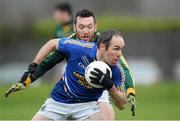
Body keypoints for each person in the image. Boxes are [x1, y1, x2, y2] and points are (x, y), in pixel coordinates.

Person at [5, 9, 136, 119]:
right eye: (81, 27)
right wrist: (28, 78)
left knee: (108, 116)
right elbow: (49, 61)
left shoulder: (107, 43)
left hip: (95, 92)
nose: (86, 31)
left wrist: (129, 91)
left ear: (95, 27)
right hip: (66, 93)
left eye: (89, 27)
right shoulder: (73, 44)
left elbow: (123, 68)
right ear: (75, 28)